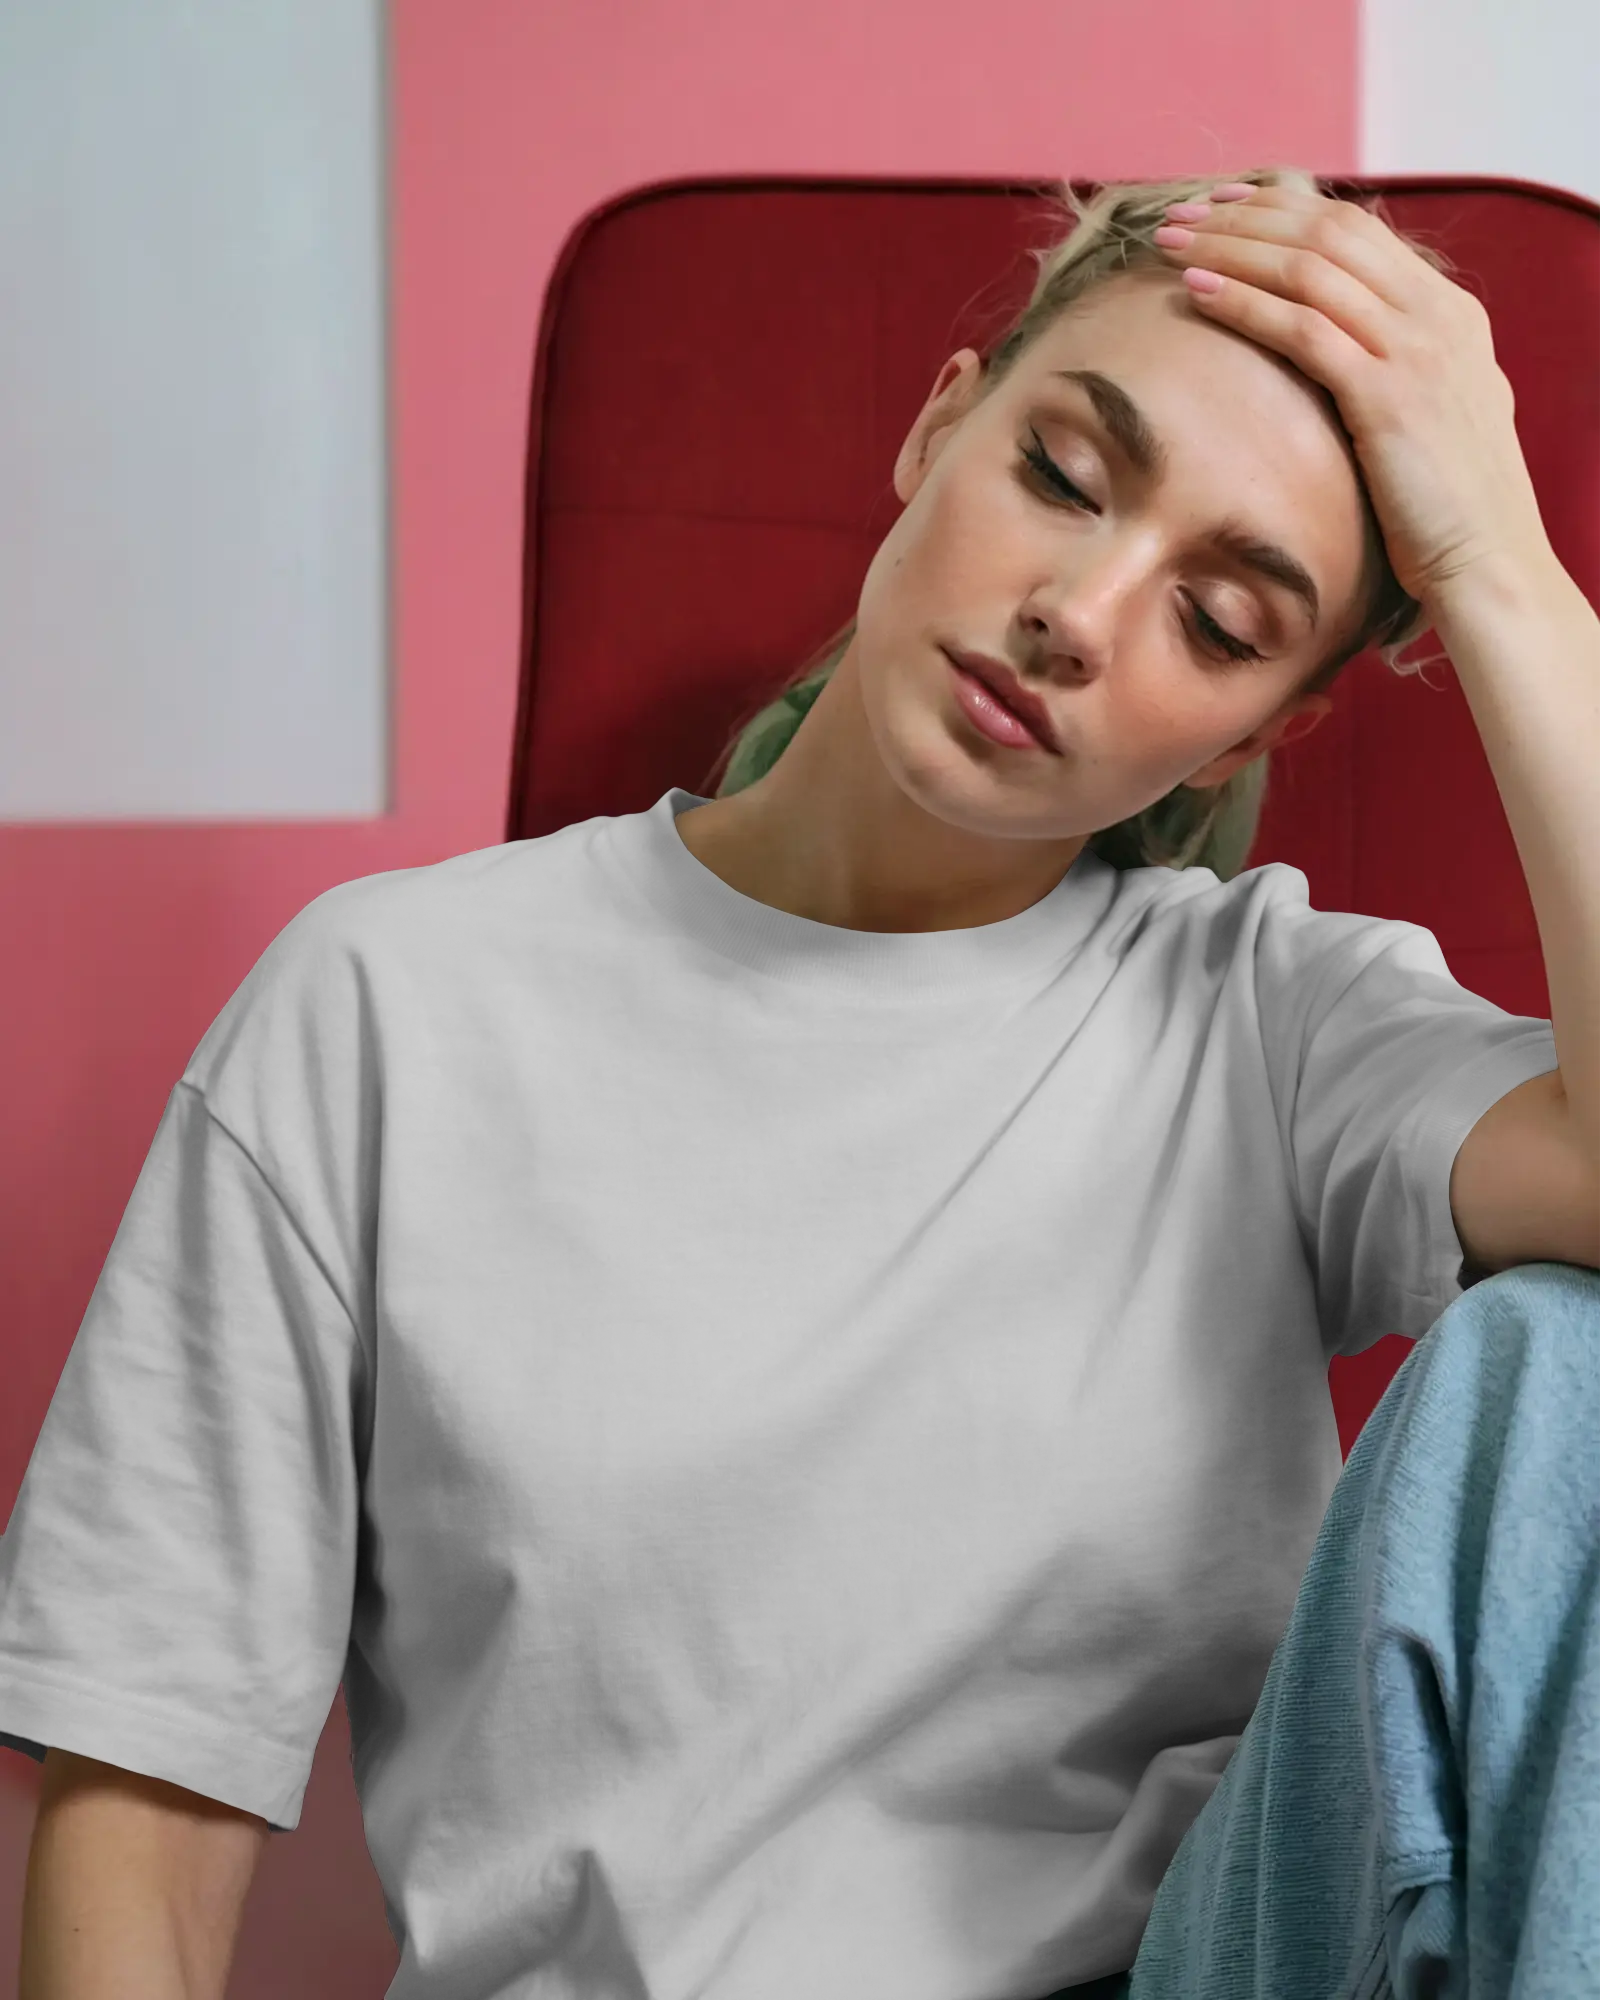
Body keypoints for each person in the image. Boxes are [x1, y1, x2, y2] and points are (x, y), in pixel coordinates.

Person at [2, 164, 1597, 1999]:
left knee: (1558, 1366)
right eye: (1065, 475)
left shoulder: (1269, 1032)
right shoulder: (379, 1015)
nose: (1080, 609)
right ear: (940, 424)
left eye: (1222, 624)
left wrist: (1505, 575)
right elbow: (148, 1816)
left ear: (1266, 725)